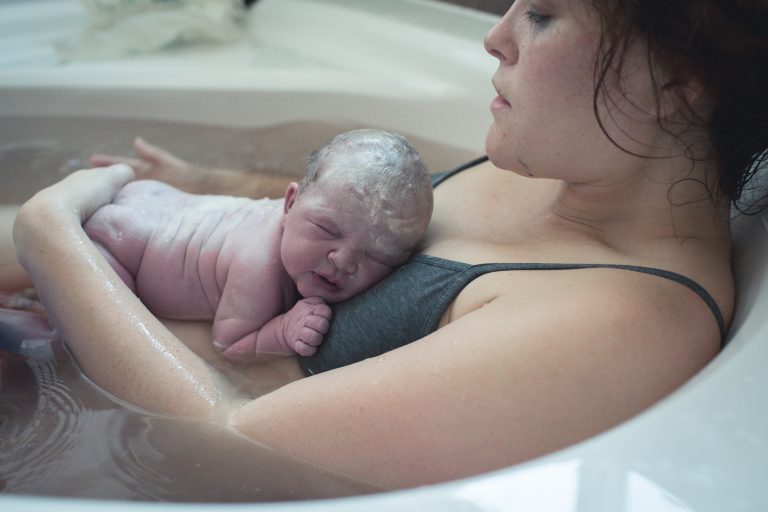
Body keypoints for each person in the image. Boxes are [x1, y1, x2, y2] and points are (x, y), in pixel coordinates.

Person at [9, 0, 768, 489]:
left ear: (677, 82)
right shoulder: (563, 166)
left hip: (76, 416)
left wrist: (52, 232)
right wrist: (211, 178)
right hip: (81, 309)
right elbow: (362, 211)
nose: (495, 35)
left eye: (542, 14)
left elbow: (226, 437)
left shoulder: (625, 322)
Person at [83, 129, 433, 361]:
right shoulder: (259, 268)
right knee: (86, 338)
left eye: (376, 255)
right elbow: (229, 343)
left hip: (152, 201)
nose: (342, 260)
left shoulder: (310, 214)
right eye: (326, 229)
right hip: (118, 248)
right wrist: (282, 332)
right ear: (290, 204)